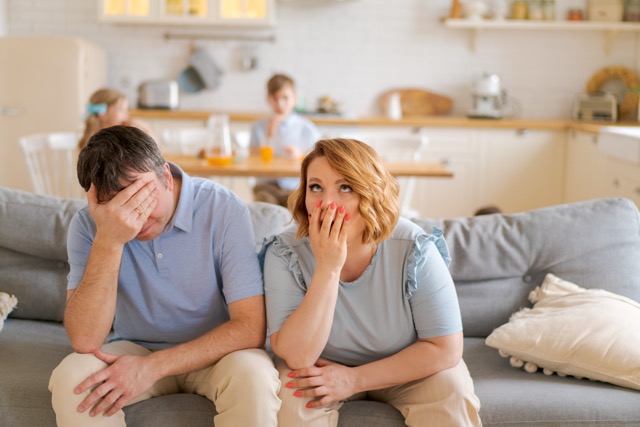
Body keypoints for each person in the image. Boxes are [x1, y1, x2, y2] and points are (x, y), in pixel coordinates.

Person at [49, 126, 280, 426]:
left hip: (217, 354)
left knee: (255, 377)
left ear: (166, 177)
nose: (135, 217)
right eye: (117, 205)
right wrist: (109, 239)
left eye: (141, 195)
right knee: (72, 379)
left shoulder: (223, 208)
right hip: (134, 346)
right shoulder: (89, 225)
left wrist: (151, 368)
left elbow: (251, 327)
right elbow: (85, 338)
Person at [261, 138, 482, 426]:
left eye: (345, 187)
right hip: (320, 369)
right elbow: (297, 356)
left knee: (451, 392)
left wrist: (354, 379)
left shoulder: (414, 247)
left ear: (370, 193)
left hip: (406, 368)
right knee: (291, 401)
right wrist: (328, 268)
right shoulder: (285, 251)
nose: (327, 204)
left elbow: (445, 348)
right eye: (316, 187)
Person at [249, 73, 321, 207]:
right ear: (268, 100)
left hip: (295, 187)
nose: (280, 104)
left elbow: (318, 160)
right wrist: (268, 136)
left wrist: (300, 156)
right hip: (266, 186)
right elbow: (251, 157)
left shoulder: (307, 128)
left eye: (285, 98)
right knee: (264, 209)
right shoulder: (258, 127)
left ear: (294, 99)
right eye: (275, 99)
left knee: (298, 209)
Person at [78, 88, 154, 150]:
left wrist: (146, 129)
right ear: (103, 114)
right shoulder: (102, 145)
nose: (126, 114)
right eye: (121, 109)